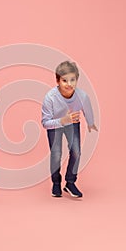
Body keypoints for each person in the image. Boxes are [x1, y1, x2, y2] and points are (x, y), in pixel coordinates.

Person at [42, 61, 98, 198]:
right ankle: (56, 183)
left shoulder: (82, 96)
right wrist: (62, 120)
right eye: (64, 80)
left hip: (72, 124)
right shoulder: (50, 97)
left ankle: (70, 182)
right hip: (55, 124)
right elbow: (45, 122)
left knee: (76, 152)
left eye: (73, 80)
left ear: (77, 80)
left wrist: (91, 123)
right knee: (56, 154)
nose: (69, 84)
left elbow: (87, 108)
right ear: (57, 81)